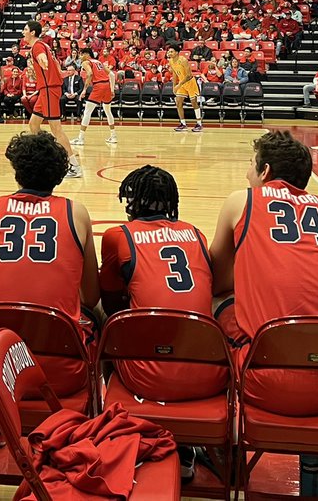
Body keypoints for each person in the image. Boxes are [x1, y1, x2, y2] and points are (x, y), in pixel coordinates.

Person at [210, 131, 318, 442]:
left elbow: (215, 281)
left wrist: (254, 271)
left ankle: (214, 444)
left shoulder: (241, 200)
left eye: (250, 164)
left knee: (215, 303)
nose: (247, 172)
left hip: (270, 384)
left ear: (265, 171)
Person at [99, 165, 223, 481]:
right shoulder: (196, 233)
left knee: (104, 318)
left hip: (146, 378)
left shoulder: (118, 236)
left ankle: (120, 425)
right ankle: (194, 445)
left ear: (131, 202)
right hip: (207, 374)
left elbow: (112, 305)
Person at [0, 132, 99, 393]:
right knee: (99, 316)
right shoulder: (76, 212)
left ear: (17, 170)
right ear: (59, 174)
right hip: (60, 372)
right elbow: (91, 295)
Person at [22, 20, 83, 178]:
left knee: (56, 129)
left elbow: (43, 57)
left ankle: (74, 166)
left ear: (33, 32)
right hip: (46, 89)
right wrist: (60, 72)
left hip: (49, 89)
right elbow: (55, 63)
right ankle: (43, 155)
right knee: (33, 124)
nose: (23, 32)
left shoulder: (38, 46)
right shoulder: (43, 45)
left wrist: (43, 62)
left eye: (25, 29)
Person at [72, 49, 117, 146]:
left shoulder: (86, 62)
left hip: (99, 86)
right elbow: (112, 75)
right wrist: (112, 89)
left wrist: (84, 90)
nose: (80, 57)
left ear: (87, 55)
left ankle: (81, 139)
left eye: (81, 54)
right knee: (108, 111)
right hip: (107, 85)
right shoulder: (98, 62)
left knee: (87, 112)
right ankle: (113, 136)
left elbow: (90, 74)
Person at [168, 44, 204, 132]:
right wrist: (174, 87)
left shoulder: (183, 60)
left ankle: (199, 124)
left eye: (171, 51)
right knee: (178, 102)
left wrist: (178, 85)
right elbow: (175, 73)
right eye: (169, 51)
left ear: (177, 53)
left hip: (190, 82)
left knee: (194, 103)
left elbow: (188, 76)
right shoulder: (171, 61)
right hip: (181, 83)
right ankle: (183, 124)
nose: (169, 53)